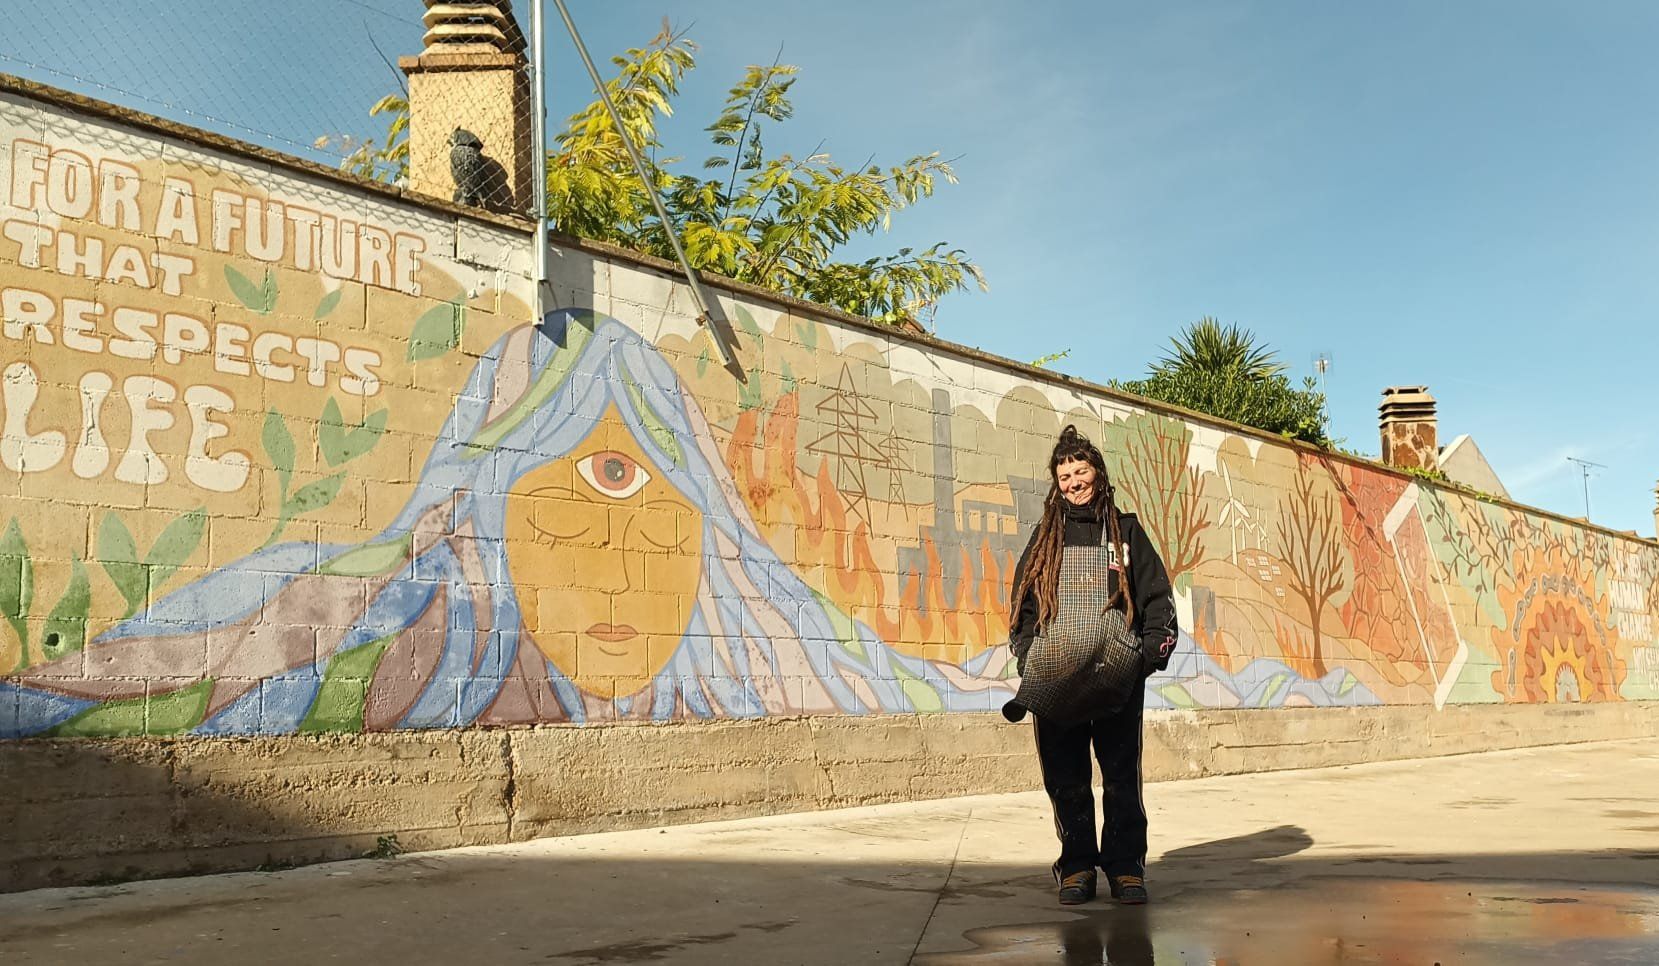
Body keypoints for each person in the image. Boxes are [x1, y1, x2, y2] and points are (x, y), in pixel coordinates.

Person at [1, 309, 1012, 736]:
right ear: (479, 512)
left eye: (663, 504)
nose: (626, 565)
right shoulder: (339, 636)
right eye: (592, 483)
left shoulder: (788, 660)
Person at [1005, 425, 1178, 906]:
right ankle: (1077, 867)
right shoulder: (1046, 538)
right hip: (1057, 680)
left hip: (1116, 679)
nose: (1073, 482)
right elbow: (1021, 607)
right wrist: (1028, 657)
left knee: (1121, 778)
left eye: (1080, 471)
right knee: (1066, 778)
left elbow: (1157, 599)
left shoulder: (1126, 532)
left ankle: (1125, 869)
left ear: (1098, 474)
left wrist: (1143, 659)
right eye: (1063, 475)